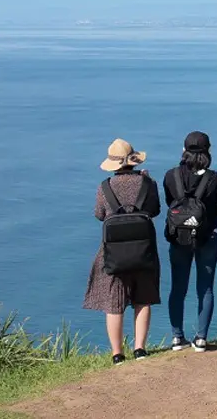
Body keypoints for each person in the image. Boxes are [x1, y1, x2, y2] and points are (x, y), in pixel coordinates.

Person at [83, 138, 161, 365]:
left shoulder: (105, 186)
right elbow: (154, 211)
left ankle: (117, 354)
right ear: (134, 161)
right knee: (143, 300)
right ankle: (140, 349)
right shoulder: (148, 183)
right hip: (144, 250)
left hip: (113, 254)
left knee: (114, 304)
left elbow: (99, 214)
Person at [163, 131, 217, 353]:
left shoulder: (171, 175)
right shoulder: (214, 178)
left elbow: (170, 202)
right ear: (208, 151)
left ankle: (176, 338)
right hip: (207, 238)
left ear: (184, 150)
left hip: (179, 239)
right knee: (205, 288)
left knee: (177, 288)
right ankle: (201, 338)